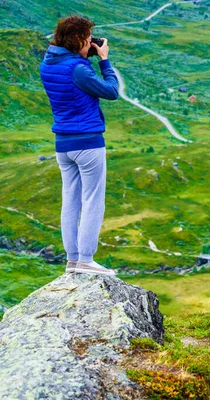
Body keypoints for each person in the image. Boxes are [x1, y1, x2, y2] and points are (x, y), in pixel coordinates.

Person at [40, 15, 119, 276]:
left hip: (63, 144)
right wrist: (104, 61)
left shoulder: (48, 64)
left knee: (70, 201)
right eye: (87, 39)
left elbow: (72, 78)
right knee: (93, 200)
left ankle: (72, 260)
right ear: (78, 40)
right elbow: (111, 91)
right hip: (88, 142)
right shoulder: (79, 69)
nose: (90, 43)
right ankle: (86, 260)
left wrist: (84, 55)